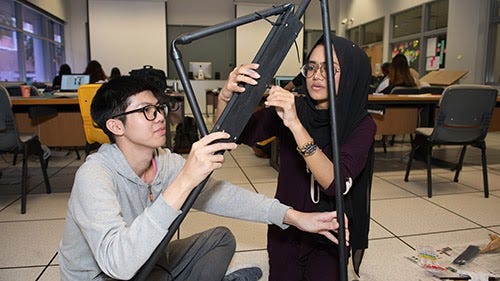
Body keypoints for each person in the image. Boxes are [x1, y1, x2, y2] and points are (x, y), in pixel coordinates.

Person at [58, 76, 347, 281]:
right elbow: (118, 264)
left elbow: (222, 196)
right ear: (115, 126)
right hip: (107, 275)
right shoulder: (94, 176)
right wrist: (185, 179)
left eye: (158, 108)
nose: (159, 117)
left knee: (221, 238)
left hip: (149, 262)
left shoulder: (164, 161)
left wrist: (294, 217)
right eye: (146, 111)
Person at [216, 35, 376, 281]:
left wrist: (295, 125)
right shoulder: (293, 106)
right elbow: (228, 136)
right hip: (287, 225)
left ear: (352, 75)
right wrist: (226, 98)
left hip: (329, 231)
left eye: (330, 68)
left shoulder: (361, 124)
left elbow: (334, 183)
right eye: (311, 66)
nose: (316, 75)